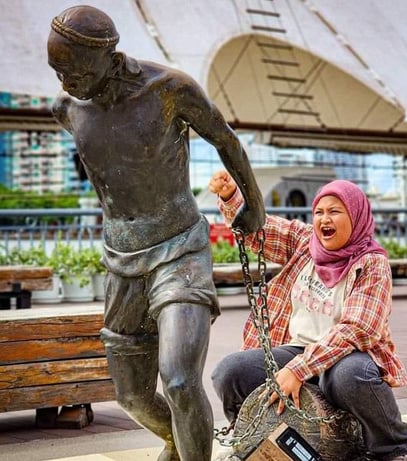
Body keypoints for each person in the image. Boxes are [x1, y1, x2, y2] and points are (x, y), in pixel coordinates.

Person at [47, 6, 265, 461]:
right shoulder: (66, 109)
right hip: (121, 261)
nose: (65, 82)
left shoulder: (168, 90)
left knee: (181, 380)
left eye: (73, 70)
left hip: (180, 249)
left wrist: (254, 206)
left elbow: (225, 139)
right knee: (131, 397)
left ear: (108, 56)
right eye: (57, 71)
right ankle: (180, 441)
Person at [210, 171, 407, 461]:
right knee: (230, 372)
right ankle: (248, 432)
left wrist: (299, 369)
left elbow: (358, 329)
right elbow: (260, 231)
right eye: (319, 211)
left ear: (356, 216)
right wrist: (230, 196)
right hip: (298, 348)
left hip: (350, 355)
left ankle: (396, 444)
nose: (324, 219)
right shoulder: (306, 242)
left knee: (348, 376)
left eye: (335, 211)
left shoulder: (372, 263)